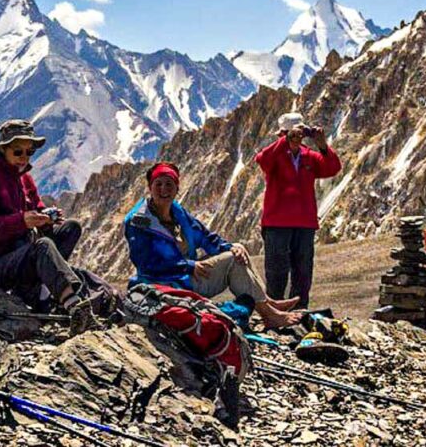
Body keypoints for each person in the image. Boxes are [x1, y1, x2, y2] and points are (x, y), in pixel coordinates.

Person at [124, 162, 302, 328]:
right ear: (150, 188)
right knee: (233, 259)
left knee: (237, 249)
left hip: (184, 275)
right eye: (159, 184)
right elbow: (145, 263)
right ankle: (269, 314)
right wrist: (188, 266)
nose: (164, 189)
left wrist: (228, 247)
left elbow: (204, 236)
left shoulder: (177, 212)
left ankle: (267, 302)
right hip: (165, 285)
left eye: (169, 184)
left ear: (177, 188)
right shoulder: (139, 221)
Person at [0, 119, 98, 336]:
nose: (24, 158)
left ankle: (40, 290)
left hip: (19, 255)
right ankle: (74, 305)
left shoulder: (25, 179)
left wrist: (46, 219)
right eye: (18, 152)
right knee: (43, 247)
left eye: (29, 152)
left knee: (70, 228)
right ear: (2, 150)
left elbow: (36, 208)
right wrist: (20, 221)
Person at [255, 112, 341, 308]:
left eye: (300, 133)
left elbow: (332, 168)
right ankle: (275, 312)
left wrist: (323, 146)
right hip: (277, 223)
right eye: (293, 133)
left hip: (304, 223)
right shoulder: (276, 154)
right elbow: (262, 160)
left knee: (303, 271)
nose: (297, 138)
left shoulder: (309, 157)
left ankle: (300, 311)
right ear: (283, 134)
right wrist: (285, 142)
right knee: (276, 271)